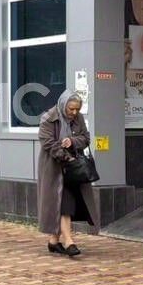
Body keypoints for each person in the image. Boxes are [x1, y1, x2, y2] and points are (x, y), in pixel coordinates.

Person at [37, 90, 99, 258]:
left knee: (67, 201)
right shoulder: (48, 119)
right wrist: (66, 157)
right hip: (54, 168)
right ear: (63, 105)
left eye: (77, 109)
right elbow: (48, 144)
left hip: (74, 170)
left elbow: (86, 138)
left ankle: (53, 241)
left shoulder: (78, 119)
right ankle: (69, 241)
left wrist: (72, 141)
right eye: (71, 109)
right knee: (63, 202)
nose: (74, 112)